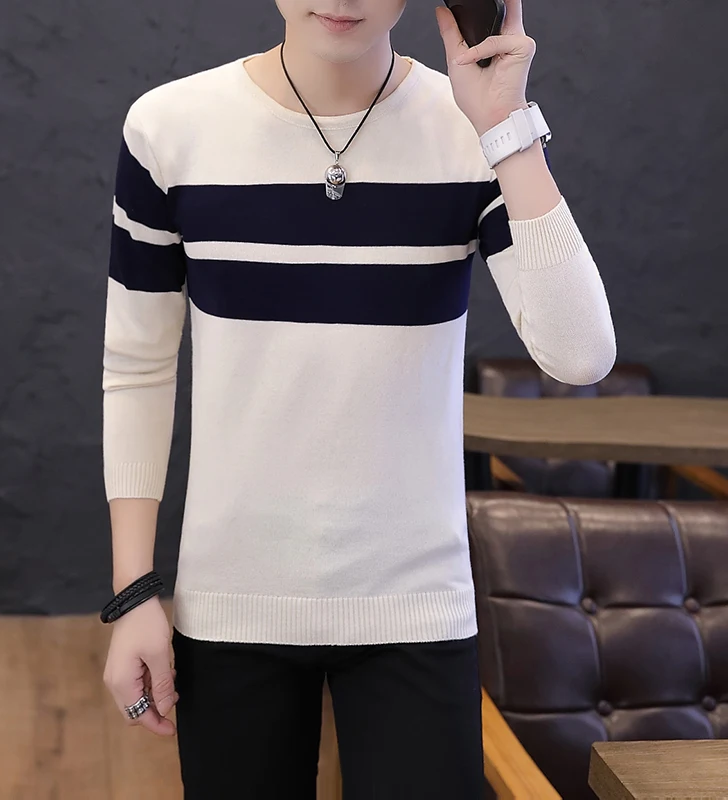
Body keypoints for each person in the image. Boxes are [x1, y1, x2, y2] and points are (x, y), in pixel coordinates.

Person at [100, 0, 616, 797]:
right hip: (234, 600)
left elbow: (580, 356)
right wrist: (135, 591)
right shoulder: (169, 129)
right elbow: (137, 368)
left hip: (417, 605)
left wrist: (506, 128)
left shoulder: (471, 130)